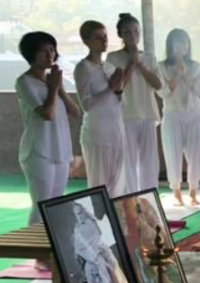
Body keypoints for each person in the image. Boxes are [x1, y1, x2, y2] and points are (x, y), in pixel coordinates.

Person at [15, 31, 81, 224]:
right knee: (41, 202)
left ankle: (51, 248)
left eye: (52, 50)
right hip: (38, 151)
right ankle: (36, 250)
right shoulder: (24, 82)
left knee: (56, 202)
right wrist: (53, 89)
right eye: (44, 51)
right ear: (31, 54)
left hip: (59, 148)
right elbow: (46, 114)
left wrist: (59, 88)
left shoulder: (53, 81)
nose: (50, 55)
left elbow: (75, 112)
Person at [107, 13, 162, 193]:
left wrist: (140, 64)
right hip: (125, 115)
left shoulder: (150, 57)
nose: (132, 36)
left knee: (149, 162)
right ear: (120, 35)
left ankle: (150, 201)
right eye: (127, 32)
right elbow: (118, 86)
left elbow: (157, 84)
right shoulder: (113, 58)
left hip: (147, 114)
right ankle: (131, 201)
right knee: (128, 162)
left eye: (136, 31)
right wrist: (131, 63)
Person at [75, 20, 130, 197]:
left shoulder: (108, 66)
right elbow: (86, 105)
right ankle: (100, 221)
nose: (104, 41)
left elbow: (118, 99)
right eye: (98, 38)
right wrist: (110, 88)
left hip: (116, 129)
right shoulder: (83, 68)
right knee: (100, 184)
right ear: (87, 41)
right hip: (97, 132)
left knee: (118, 183)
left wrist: (119, 88)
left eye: (105, 36)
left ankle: (116, 220)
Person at [158, 28, 200, 207]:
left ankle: (193, 190)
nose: (181, 46)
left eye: (184, 42)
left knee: (195, 154)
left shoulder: (195, 66)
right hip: (172, 114)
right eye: (177, 43)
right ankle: (176, 191)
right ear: (170, 45)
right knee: (173, 153)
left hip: (193, 114)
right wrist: (177, 73)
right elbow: (162, 92)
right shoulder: (162, 66)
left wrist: (187, 73)